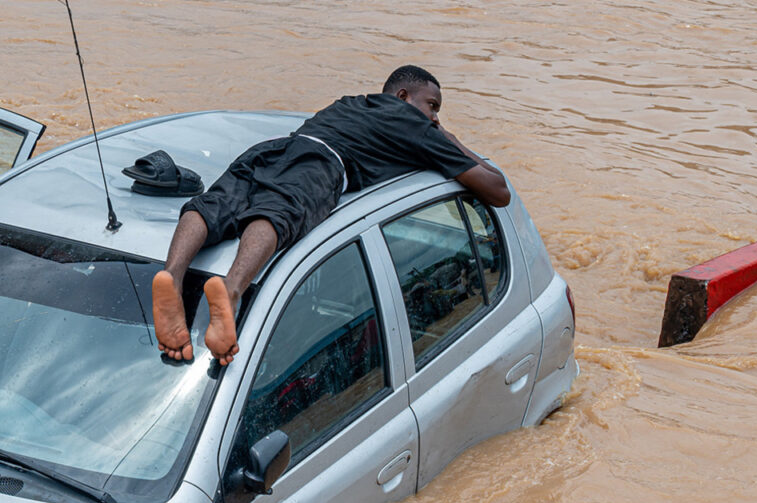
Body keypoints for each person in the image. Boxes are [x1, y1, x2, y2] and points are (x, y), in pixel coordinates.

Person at [151, 64, 511, 365]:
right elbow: (498, 190)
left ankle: (173, 276)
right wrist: (447, 137)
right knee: (279, 212)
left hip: (276, 149)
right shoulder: (414, 125)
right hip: (321, 165)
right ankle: (232, 291)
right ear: (403, 96)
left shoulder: (350, 103)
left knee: (214, 204)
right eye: (432, 105)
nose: (434, 116)